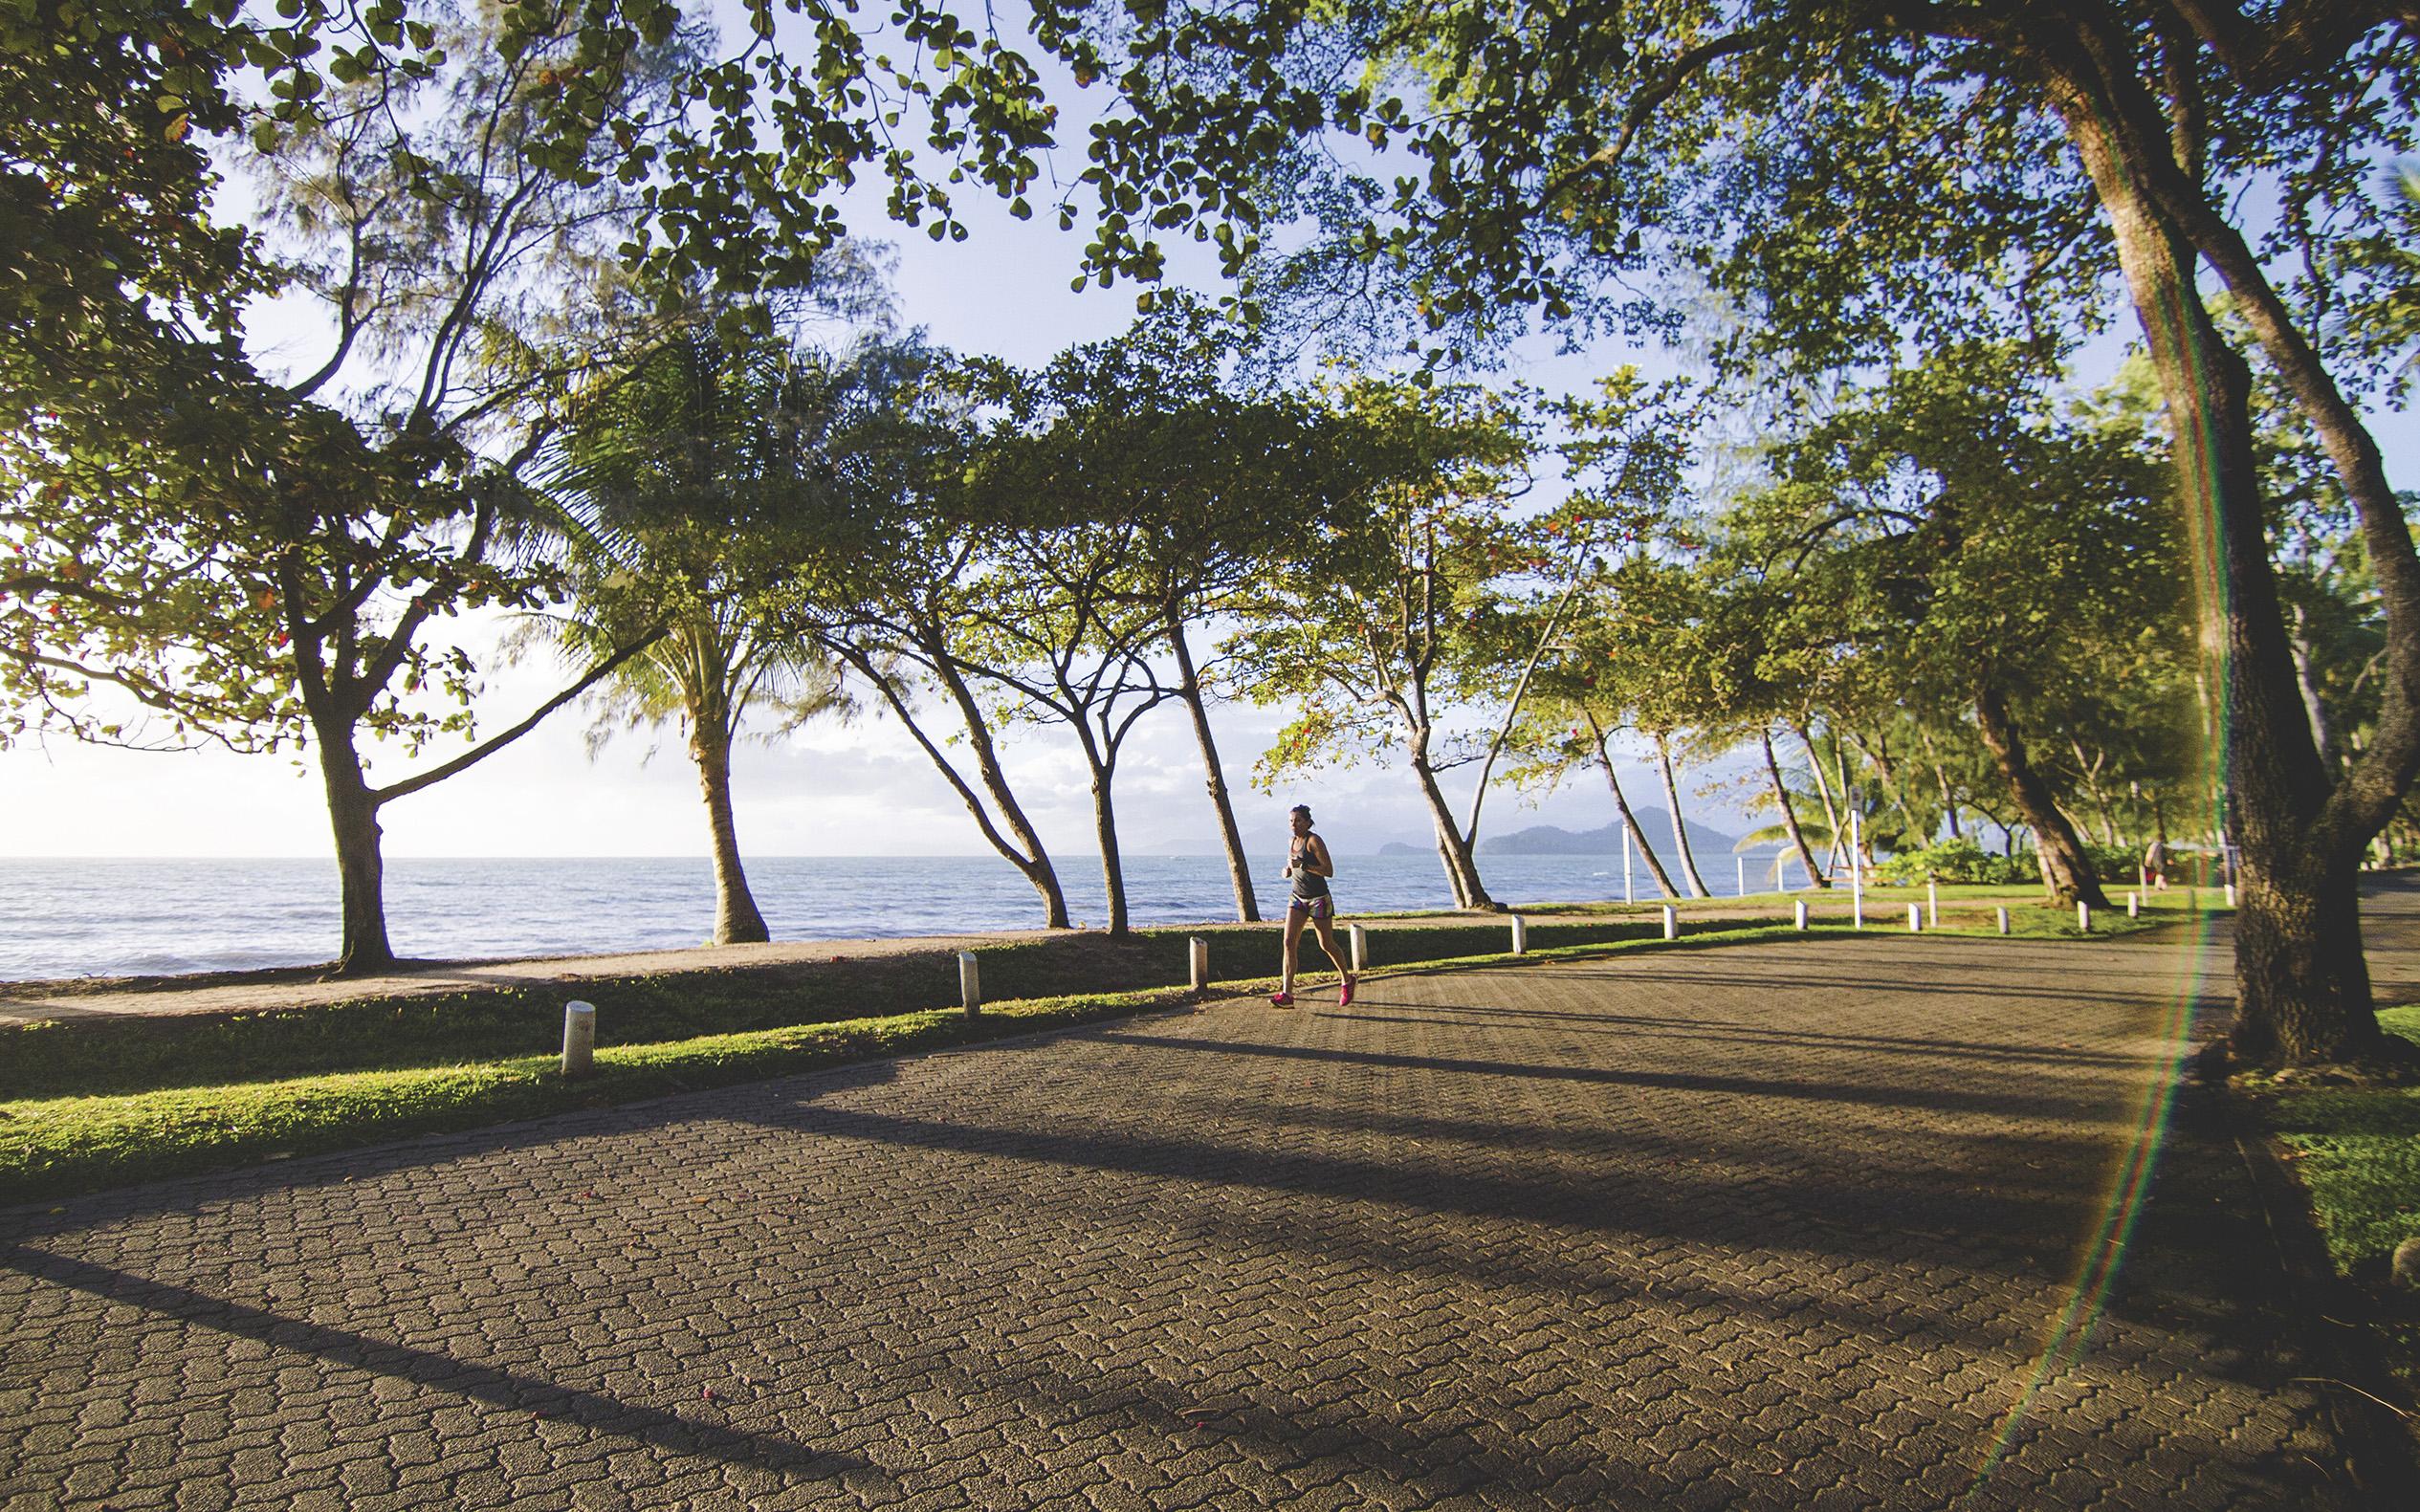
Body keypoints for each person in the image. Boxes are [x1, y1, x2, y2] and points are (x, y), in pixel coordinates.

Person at [1274, 803, 1355, 1008]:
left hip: (1318, 899)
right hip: (1297, 898)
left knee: (1326, 944)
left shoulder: (1313, 841)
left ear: (1308, 822)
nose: (1294, 824)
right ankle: (1287, 994)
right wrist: (1287, 871)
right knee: (1288, 942)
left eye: (1298, 820)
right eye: (1291, 821)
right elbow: (1292, 865)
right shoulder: (1292, 841)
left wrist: (1305, 866)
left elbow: (1328, 870)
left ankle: (1347, 980)